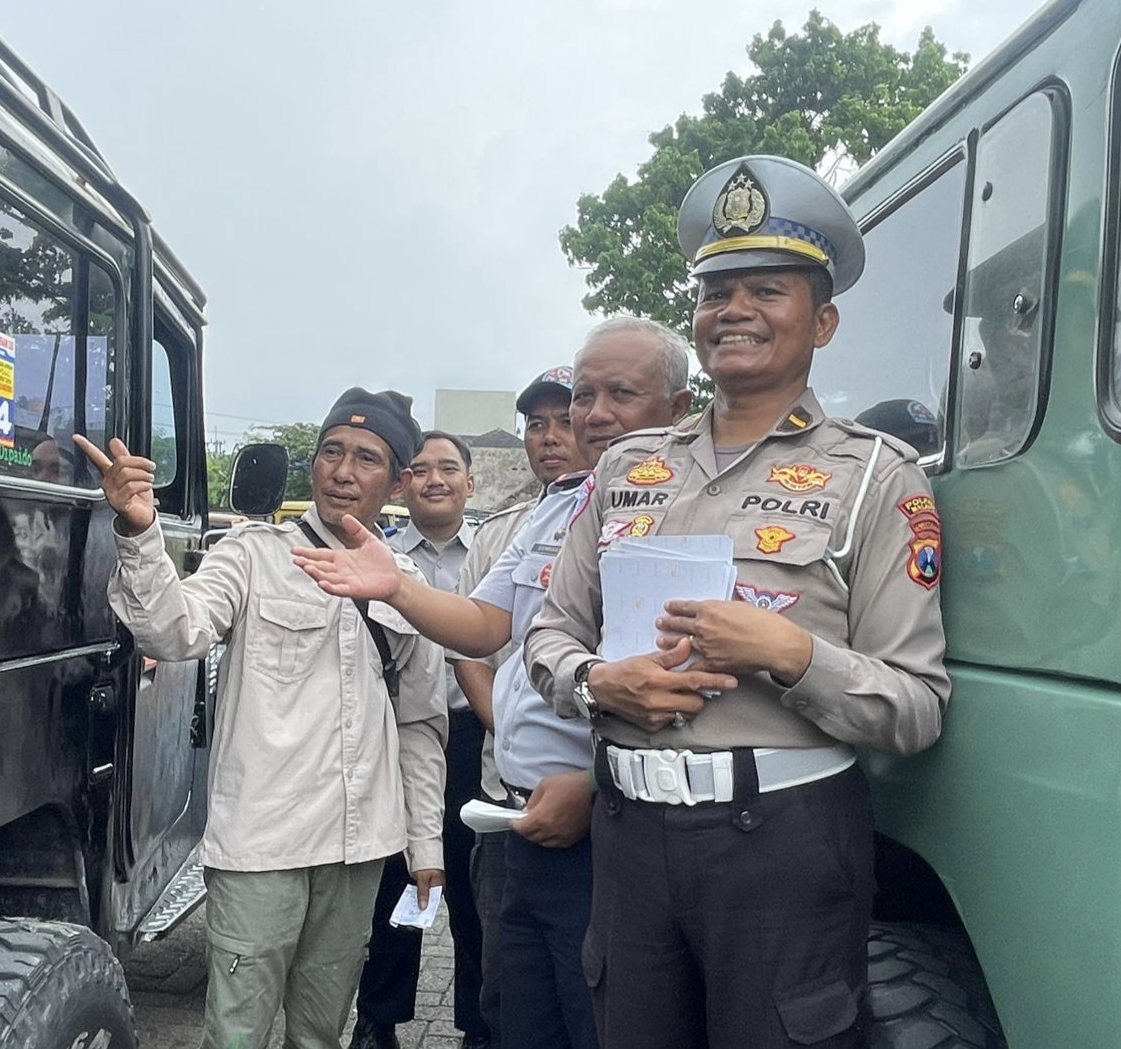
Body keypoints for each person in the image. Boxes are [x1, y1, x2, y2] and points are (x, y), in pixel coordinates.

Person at [525, 154, 951, 1049]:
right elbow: (552, 630)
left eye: (768, 289)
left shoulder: (878, 474)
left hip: (785, 844)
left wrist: (790, 654)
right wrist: (602, 683)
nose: (735, 311)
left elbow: (916, 707)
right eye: (718, 291)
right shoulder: (626, 465)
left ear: (822, 320)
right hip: (630, 833)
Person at [293, 321, 700, 1049]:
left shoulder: (689, 507)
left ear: (679, 408)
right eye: (582, 397)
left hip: (610, 824)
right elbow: (484, 623)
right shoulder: (560, 504)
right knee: (518, 1016)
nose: (592, 414)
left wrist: (595, 780)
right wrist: (398, 589)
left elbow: (683, 688)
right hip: (520, 819)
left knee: (600, 1021)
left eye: (620, 394)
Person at [74, 387, 448, 1049]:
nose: (342, 469)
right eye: (331, 451)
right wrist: (139, 531)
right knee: (237, 1032)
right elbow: (173, 631)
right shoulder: (251, 555)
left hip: (359, 845)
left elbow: (419, 725)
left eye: (366, 457)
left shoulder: (409, 582)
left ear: (395, 480)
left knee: (319, 1034)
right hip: (261, 843)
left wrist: (425, 848)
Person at [453, 365, 585, 1048]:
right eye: (536, 424)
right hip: (506, 786)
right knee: (505, 979)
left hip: (591, 798)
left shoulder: (625, 513)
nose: (550, 436)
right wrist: (505, 726)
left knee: (586, 992)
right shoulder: (507, 527)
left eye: (564, 419)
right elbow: (472, 636)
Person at [353, 431, 489, 1049]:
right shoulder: (375, 552)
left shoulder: (490, 555)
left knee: (468, 886)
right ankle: (378, 1017)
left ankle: (477, 1025)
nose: (435, 479)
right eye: (422, 470)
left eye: (449, 469)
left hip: (470, 735)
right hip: (396, 736)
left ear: (470, 482)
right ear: (403, 484)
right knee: (393, 879)